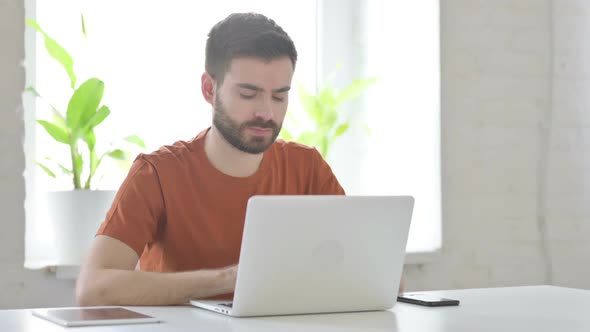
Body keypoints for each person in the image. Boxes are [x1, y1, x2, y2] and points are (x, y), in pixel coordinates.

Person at [75, 12, 346, 306]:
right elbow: (93, 289)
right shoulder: (156, 173)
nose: (267, 112)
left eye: (279, 97)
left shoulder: (307, 168)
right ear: (209, 89)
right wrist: (229, 279)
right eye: (248, 94)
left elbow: (380, 277)